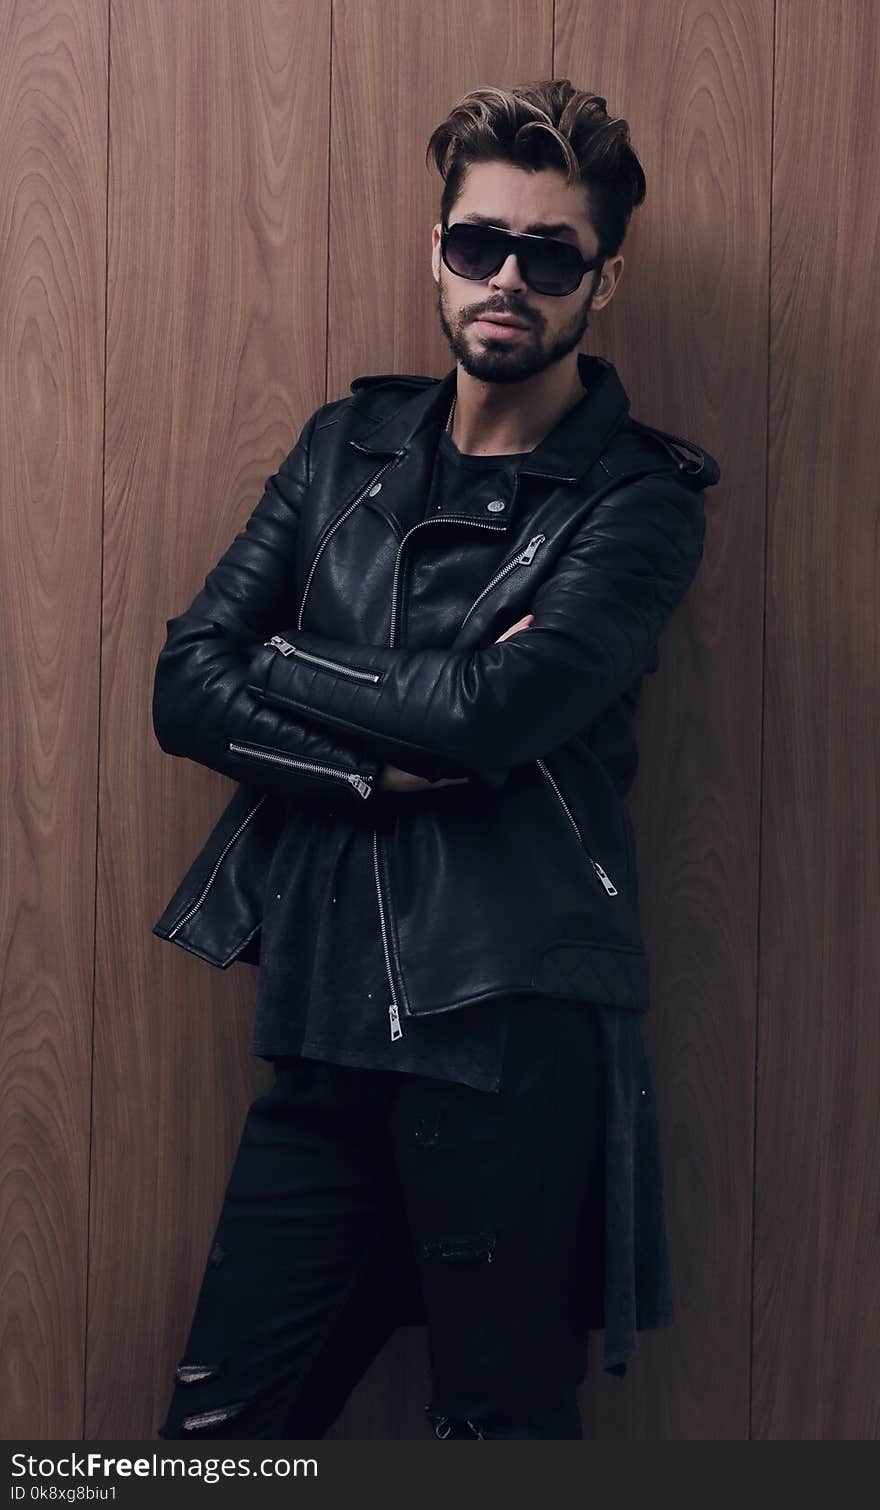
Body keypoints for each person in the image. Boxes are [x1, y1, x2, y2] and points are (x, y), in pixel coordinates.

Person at [151, 79, 721, 1441]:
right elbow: (185, 680)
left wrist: (282, 659)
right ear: (437, 249)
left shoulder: (638, 503)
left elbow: (493, 718)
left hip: (510, 1035)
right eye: (479, 242)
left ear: (604, 280)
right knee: (207, 1449)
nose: (506, 280)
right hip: (322, 1026)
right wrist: (367, 764)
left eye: (549, 253)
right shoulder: (343, 449)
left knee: (502, 1435)